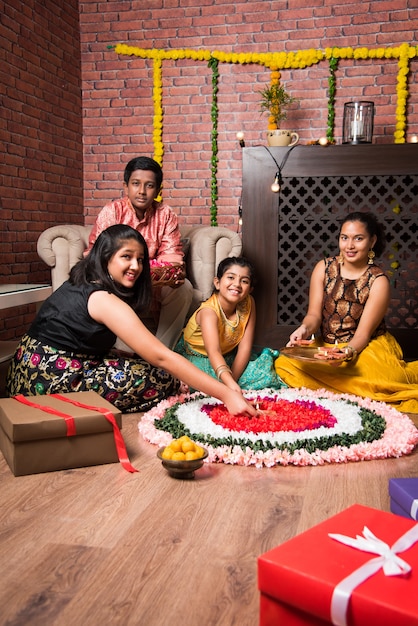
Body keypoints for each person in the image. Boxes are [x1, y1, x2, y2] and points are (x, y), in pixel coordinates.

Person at [7, 225, 257, 418]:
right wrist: (226, 394)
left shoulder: (82, 281)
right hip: (47, 380)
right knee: (163, 378)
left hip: (27, 368)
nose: (135, 266)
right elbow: (162, 356)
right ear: (105, 257)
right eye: (126, 257)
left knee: (139, 361)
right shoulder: (103, 299)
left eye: (140, 259)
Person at [274, 211, 418, 413]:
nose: (349, 246)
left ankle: (348, 385)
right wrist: (304, 329)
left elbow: (363, 335)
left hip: (363, 348)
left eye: (358, 239)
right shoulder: (323, 268)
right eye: (344, 238)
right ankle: (346, 387)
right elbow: (314, 315)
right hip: (328, 346)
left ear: (372, 241)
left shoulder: (378, 281)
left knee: (382, 381)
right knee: (284, 364)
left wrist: (346, 353)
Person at [85, 156, 193, 349]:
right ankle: (121, 350)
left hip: (151, 284)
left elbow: (171, 260)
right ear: (126, 186)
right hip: (115, 282)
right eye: (136, 184)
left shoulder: (165, 214)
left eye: (149, 185)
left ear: (158, 190)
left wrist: (166, 273)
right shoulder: (113, 212)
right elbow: (95, 256)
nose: (142, 191)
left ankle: (161, 352)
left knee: (184, 288)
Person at [175, 256, 286, 390]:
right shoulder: (209, 312)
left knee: (264, 374)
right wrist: (229, 386)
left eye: (244, 281)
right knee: (208, 385)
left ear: (250, 289)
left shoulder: (249, 302)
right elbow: (214, 352)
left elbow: (245, 348)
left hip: (228, 356)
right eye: (231, 278)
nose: (237, 284)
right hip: (200, 358)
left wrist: (232, 381)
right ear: (217, 282)